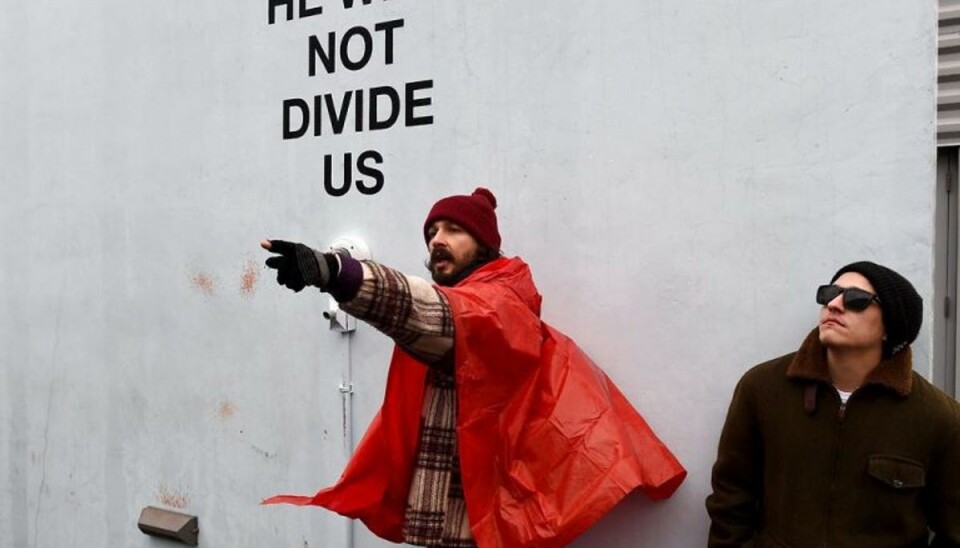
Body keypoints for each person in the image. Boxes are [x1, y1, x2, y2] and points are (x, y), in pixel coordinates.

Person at [260, 188, 686, 547]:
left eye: (453, 230)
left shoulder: (499, 305)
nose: (436, 241)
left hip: (480, 517)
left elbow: (430, 312)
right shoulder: (470, 299)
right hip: (443, 514)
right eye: (431, 232)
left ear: (484, 243)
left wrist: (336, 272)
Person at [706, 261, 960, 547]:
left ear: (890, 327)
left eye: (856, 299)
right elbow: (730, 498)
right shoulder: (763, 389)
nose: (835, 304)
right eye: (829, 294)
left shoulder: (938, 417)